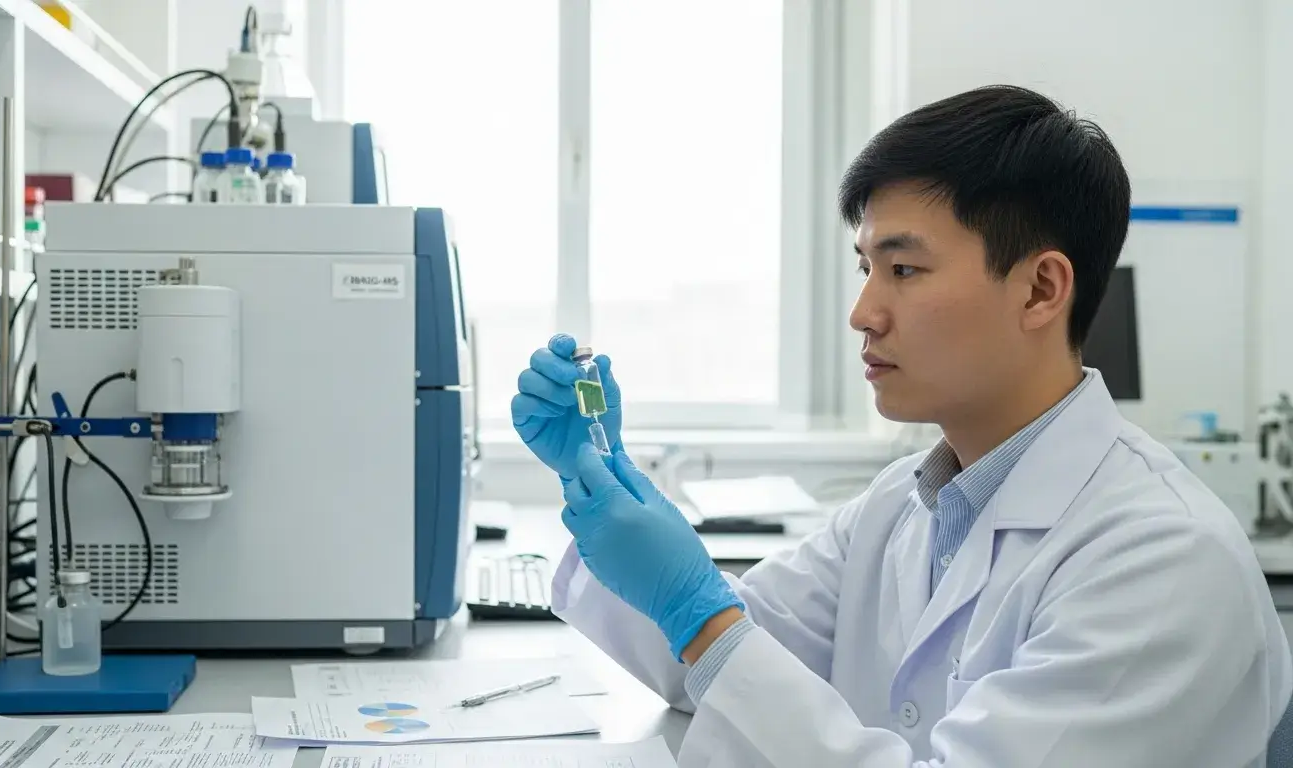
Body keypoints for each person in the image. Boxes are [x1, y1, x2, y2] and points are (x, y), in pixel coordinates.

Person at [511, 85, 1293, 766]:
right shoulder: (902, 506)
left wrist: (701, 613)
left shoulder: (1161, 562)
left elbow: (714, 637)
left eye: (905, 269)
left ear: (1040, 290)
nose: (863, 313)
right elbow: (708, 668)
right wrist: (601, 478)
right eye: (866, 269)